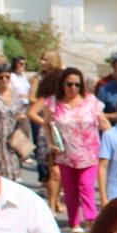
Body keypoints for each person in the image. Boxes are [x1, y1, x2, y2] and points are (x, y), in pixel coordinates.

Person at [30, 67, 109, 233]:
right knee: (70, 190)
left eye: (77, 84)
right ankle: (74, 222)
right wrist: (51, 144)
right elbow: (46, 124)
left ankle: (90, 220)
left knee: (86, 186)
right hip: (65, 154)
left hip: (89, 154)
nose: (73, 88)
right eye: (69, 84)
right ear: (63, 85)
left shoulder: (91, 101)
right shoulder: (54, 102)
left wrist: (111, 140)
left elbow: (103, 123)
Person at [32, 50, 66, 216]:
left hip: (60, 137)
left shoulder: (62, 99)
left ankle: (56, 201)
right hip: (48, 137)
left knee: (60, 174)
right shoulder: (48, 97)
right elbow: (32, 113)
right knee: (54, 173)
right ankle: (51, 205)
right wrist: (47, 124)